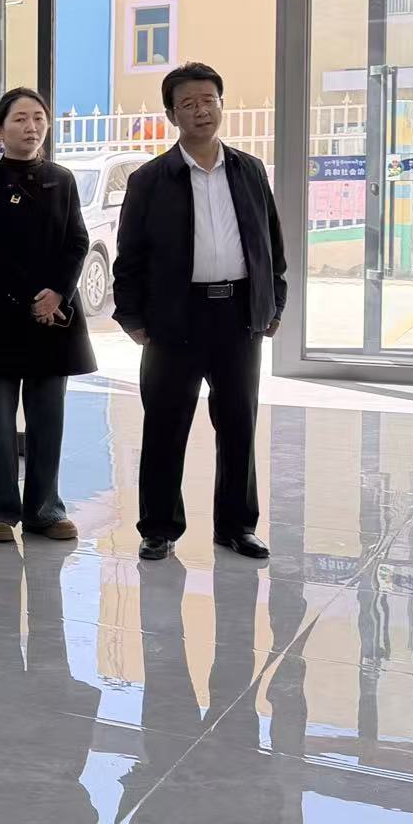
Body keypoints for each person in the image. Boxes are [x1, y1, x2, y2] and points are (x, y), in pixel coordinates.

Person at [113, 62, 284, 563]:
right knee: (165, 426)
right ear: (172, 115)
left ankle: (237, 526)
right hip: (174, 319)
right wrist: (132, 317)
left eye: (208, 100)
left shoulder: (250, 170)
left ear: (221, 105)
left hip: (238, 317)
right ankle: (158, 527)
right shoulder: (150, 179)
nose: (201, 110)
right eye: (188, 103)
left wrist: (273, 301)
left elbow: (271, 244)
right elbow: (130, 254)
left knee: (238, 424)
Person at [0, 88, 95, 544]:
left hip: (52, 317)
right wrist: (27, 296)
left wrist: (58, 293)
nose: (31, 127)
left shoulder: (62, 179)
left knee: (48, 418)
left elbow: (77, 241)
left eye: (38, 118)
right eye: (20, 119)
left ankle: (45, 509)